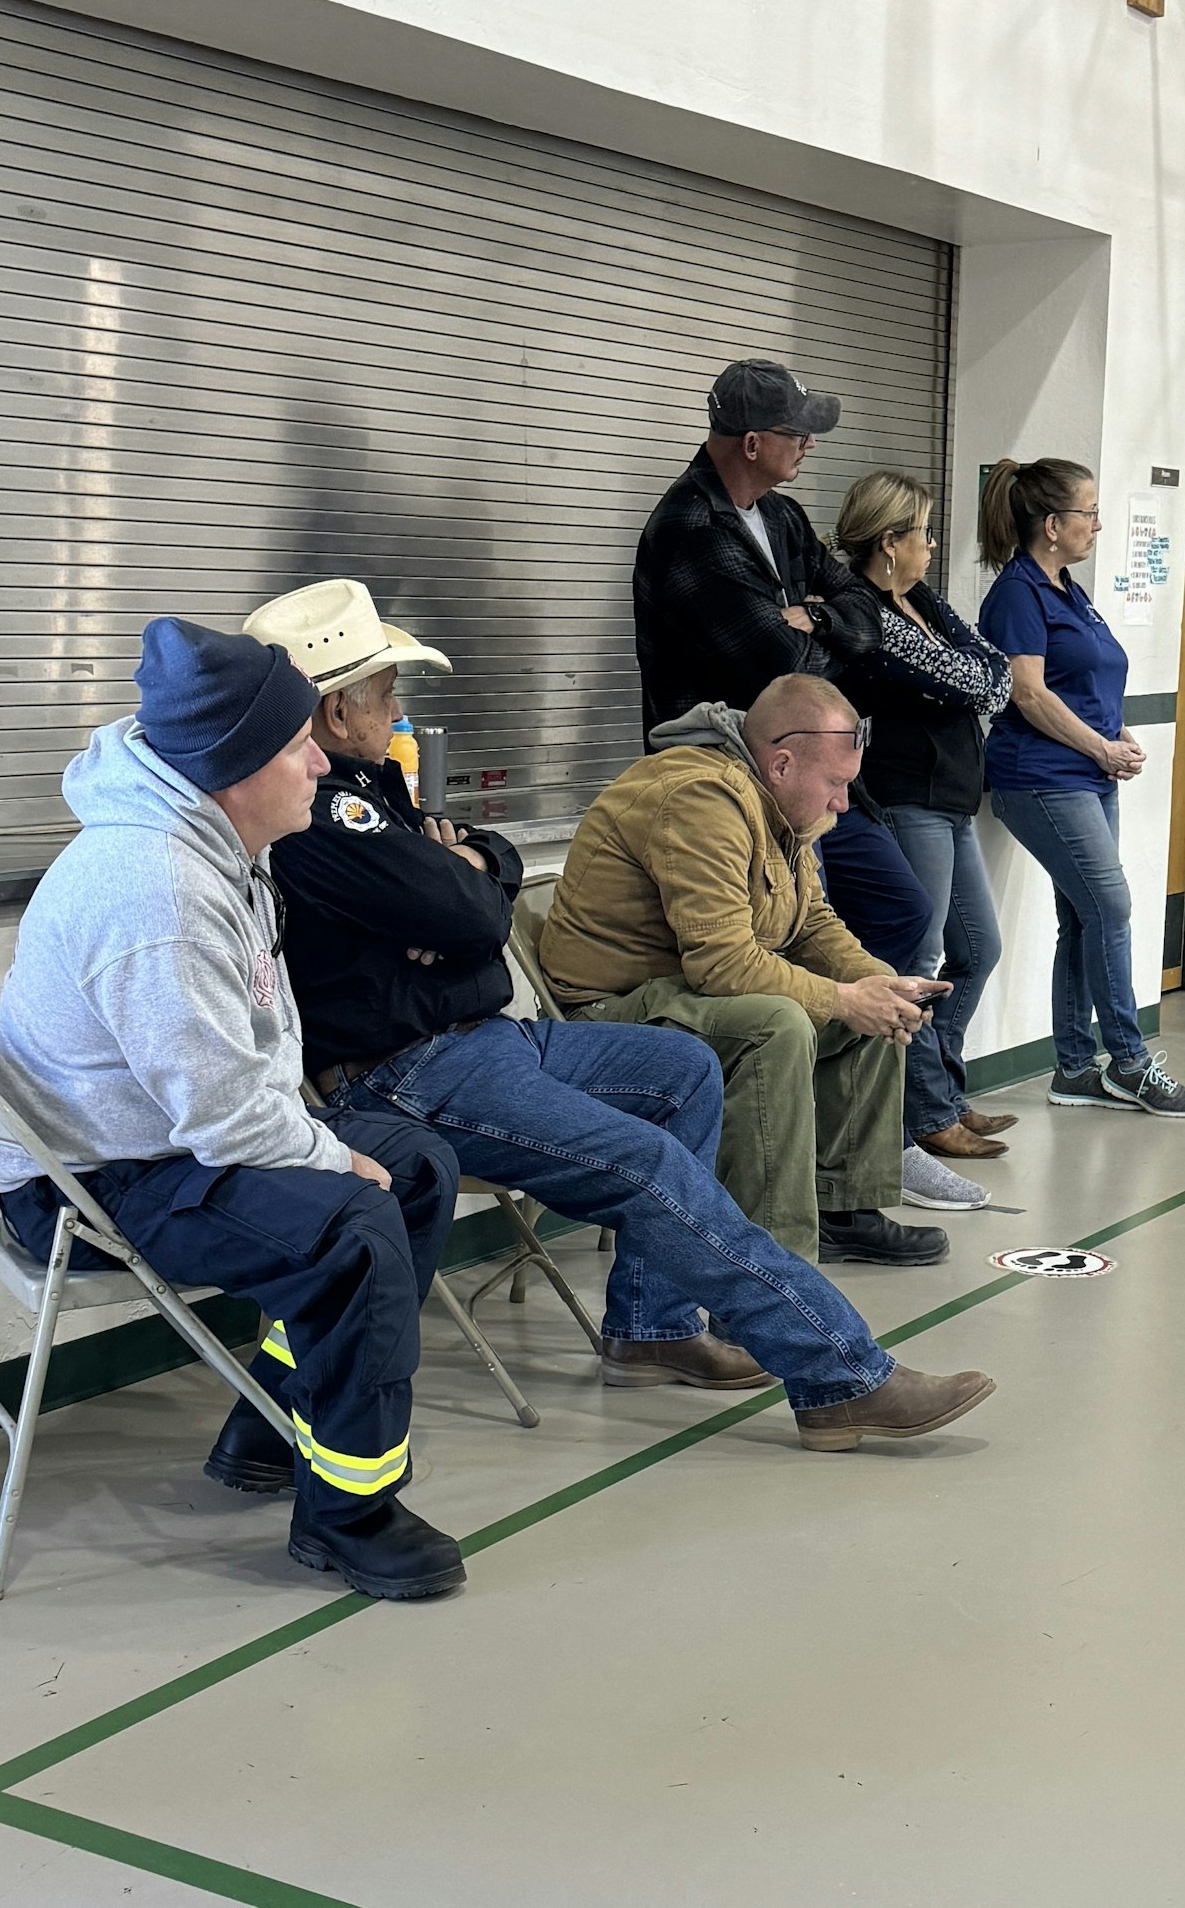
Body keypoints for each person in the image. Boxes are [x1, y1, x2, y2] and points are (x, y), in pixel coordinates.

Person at [237, 579, 996, 1452]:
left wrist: (471, 873)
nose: (398, 705)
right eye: (385, 693)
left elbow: (482, 882)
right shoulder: (327, 815)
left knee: (684, 1072)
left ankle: (654, 1329)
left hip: (486, 1037)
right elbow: (475, 918)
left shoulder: (372, 784)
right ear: (337, 710)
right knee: (644, 1160)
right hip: (405, 1073)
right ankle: (841, 1372)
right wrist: (463, 899)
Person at [0, 617, 470, 1603]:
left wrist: (335, 1148)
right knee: (358, 1221)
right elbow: (222, 1115)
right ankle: (350, 1512)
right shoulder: (155, 885)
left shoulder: (211, 838)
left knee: (416, 1165)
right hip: (97, 1179)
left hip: (154, 1133)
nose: (319, 761)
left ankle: (274, 1419)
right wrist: (330, 1160)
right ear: (231, 769)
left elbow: (234, 1076)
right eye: (296, 745)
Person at [630, 357, 982, 1212]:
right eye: (797, 433)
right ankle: (825, 1161)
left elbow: (856, 610)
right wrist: (826, 631)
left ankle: (869, 1139)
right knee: (773, 957)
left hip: (804, 771)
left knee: (898, 911)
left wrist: (821, 616)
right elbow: (780, 661)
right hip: (730, 777)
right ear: (753, 441)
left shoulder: (779, 518)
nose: (809, 445)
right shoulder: (689, 530)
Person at [540, 672, 958, 1268]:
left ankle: (841, 1210)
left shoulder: (775, 801)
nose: (843, 802)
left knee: (878, 1007)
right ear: (782, 763)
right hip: (608, 1010)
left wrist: (876, 983)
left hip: (681, 993)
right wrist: (844, 999)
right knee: (779, 1025)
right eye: (836, 784)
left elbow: (811, 921)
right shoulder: (699, 799)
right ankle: (771, 1258)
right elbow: (723, 964)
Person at [975, 458, 1185, 1116]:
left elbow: (1087, 682)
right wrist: (1102, 747)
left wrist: (1118, 737)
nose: (1097, 525)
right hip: (1042, 778)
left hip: (1089, 773)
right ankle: (1129, 1063)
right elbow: (1027, 692)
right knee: (1113, 908)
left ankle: (1075, 1067)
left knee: (1082, 917)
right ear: (1052, 524)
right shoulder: (1019, 592)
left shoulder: (1069, 589)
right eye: (1089, 513)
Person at [831, 470, 1017, 1166]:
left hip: (954, 799)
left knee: (978, 950)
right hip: (908, 797)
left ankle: (943, 1087)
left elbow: (995, 675)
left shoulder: (922, 603)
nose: (933, 546)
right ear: (889, 542)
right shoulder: (865, 616)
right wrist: (974, 676)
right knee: (919, 958)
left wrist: (976, 675)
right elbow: (975, 680)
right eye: (924, 534)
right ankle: (925, 1113)